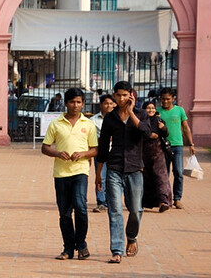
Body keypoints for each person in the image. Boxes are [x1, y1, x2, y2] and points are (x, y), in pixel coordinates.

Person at [95, 81, 152, 264]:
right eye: (118, 95)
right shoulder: (110, 118)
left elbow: (146, 132)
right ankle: (117, 249)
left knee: (135, 209)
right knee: (115, 210)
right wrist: (98, 173)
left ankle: (132, 237)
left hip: (135, 168)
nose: (121, 99)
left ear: (131, 95)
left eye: (124, 95)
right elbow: (103, 145)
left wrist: (131, 113)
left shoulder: (141, 114)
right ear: (114, 95)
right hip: (114, 167)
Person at [41, 88, 98, 260]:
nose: (75, 105)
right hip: (61, 173)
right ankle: (68, 249)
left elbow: (95, 149)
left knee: (81, 207)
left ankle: (81, 244)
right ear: (66, 103)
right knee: (65, 213)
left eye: (79, 102)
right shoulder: (56, 124)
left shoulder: (88, 124)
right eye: (72, 102)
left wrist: (83, 154)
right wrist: (58, 153)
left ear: (83, 104)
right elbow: (45, 147)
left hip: (80, 171)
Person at [156, 87, 195, 209]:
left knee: (178, 172)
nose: (165, 101)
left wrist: (191, 143)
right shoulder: (157, 112)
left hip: (177, 145)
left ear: (173, 99)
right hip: (162, 146)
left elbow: (185, 127)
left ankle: (177, 198)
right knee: (164, 174)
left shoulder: (179, 110)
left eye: (168, 99)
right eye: (163, 99)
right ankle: (166, 199)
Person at [141, 100, 173, 212]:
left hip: (158, 154)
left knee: (161, 178)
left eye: (153, 108)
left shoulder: (159, 120)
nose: (151, 110)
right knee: (146, 179)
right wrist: (148, 135)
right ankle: (144, 202)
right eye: (148, 108)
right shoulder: (140, 121)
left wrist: (162, 128)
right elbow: (137, 135)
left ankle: (163, 202)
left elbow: (166, 134)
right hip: (143, 155)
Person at [90, 94, 116, 213]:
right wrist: (106, 138)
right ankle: (101, 201)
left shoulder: (118, 118)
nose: (108, 106)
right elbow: (93, 139)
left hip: (116, 152)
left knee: (114, 178)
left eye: (111, 103)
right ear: (101, 105)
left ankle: (112, 201)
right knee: (101, 176)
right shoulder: (93, 121)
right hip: (100, 152)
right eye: (106, 103)